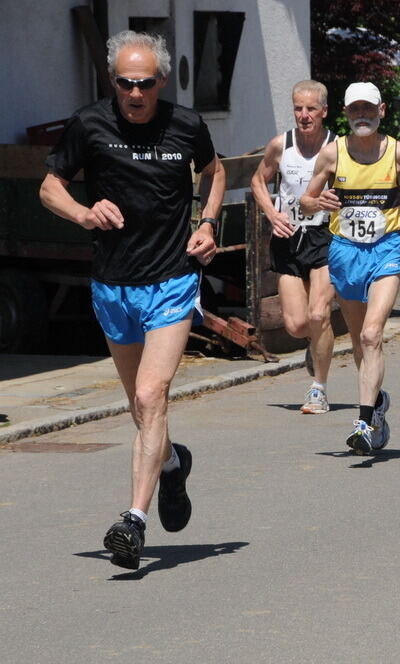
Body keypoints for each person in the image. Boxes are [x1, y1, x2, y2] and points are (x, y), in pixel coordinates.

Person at [39, 30, 225, 570]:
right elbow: (50, 185)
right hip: (113, 285)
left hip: (171, 280)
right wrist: (82, 212)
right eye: (125, 83)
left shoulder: (186, 125)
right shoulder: (90, 123)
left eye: (144, 83)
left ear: (161, 81)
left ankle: (133, 522)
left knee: (151, 394)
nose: (135, 93)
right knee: (139, 408)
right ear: (113, 81)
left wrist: (208, 223)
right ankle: (171, 462)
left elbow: (215, 170)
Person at [301, 82, 400, 454]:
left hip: (386, 249)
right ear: (346, 114)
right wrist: (317, 200)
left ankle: (364, 421)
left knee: (372, 335)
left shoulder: (397, 152)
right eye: (355, 110)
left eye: (368, 109)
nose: (362, 115)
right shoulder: (331, 154)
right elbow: (305, 201)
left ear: (382, 111)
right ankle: (378, 403)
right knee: (357, 343)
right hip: (345, 252)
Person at [251, 81, 336, 414]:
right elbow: (258, 180)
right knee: (297, 325)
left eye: (311, 109)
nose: (304, 115)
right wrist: (272, 214)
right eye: (298, 108)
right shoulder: (280, 145)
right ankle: (314, 343)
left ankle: (319, 389)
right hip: (288, 238)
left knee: (319, 314)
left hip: (325, 237)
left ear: (324, 112)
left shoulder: (336, 147)